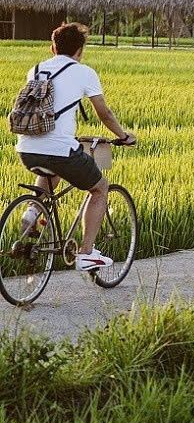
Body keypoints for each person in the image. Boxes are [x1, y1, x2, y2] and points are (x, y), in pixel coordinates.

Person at [16, 23, 137, 271]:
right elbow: (103, 112)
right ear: (80, 50)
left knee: (51, 169)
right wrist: (123, 136)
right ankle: (86, 253)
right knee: (100, 188)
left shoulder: (36, 69)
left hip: (26, 149)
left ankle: (32, 211)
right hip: (59, 150)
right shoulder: (84, 73)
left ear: (52, 48)